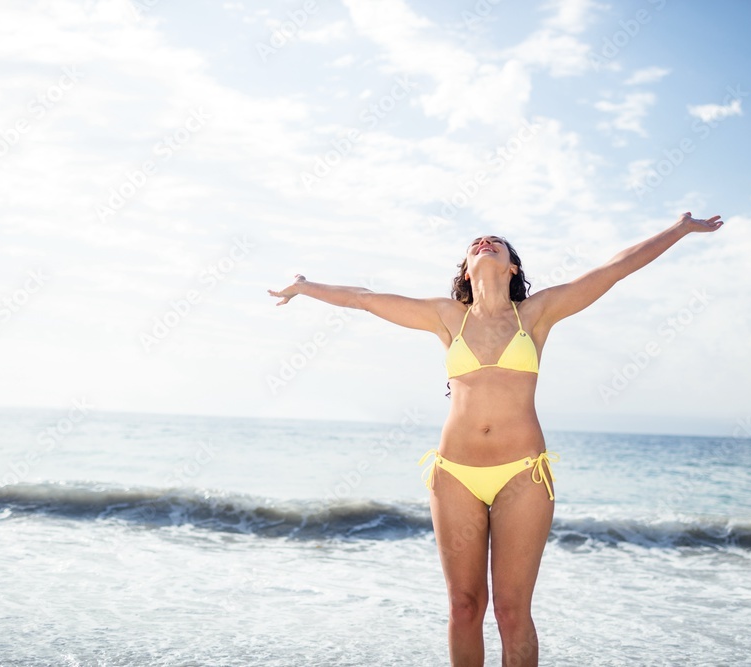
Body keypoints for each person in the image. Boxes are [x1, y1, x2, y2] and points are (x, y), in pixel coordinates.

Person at [267, 212, 724, 666]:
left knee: (511, 611)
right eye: (475, 243)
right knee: (464, 607)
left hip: (522, 474)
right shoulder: (446, 317)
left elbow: (614, 269)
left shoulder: (537, 314)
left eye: (495, 242)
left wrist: (679, 229)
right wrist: (305, 286)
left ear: (512, 268)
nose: (484, 242)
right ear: (466, 269)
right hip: (455, 476)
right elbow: (365, 298)